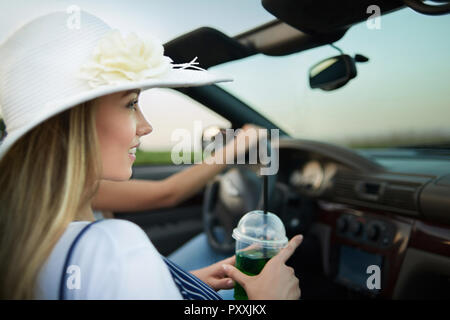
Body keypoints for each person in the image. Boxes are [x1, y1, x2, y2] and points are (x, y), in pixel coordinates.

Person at [0, 10, 302, 300]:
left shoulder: (23, 237)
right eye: (131, 104)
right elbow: (166, 194)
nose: (146, 126)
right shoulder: (114, 247)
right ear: (70, 127)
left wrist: (184, 281)